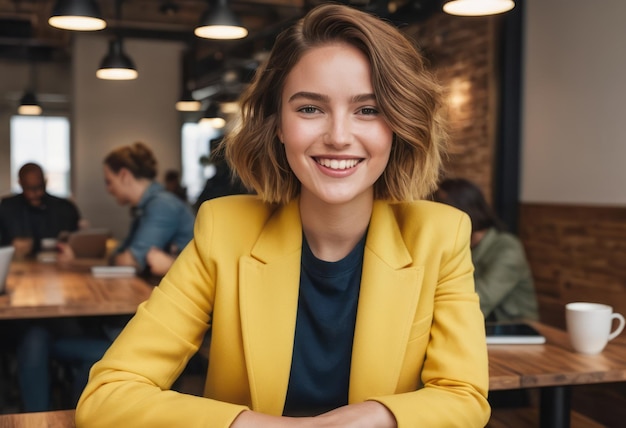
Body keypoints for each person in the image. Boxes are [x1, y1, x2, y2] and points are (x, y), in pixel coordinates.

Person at [76, 4, 490, 427]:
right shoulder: (224, 230)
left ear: (398, 125)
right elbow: (108, 395)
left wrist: (370, 418)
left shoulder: (441, 234)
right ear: (278, 124)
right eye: (310, 108)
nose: (339, 137)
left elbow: (463, 397)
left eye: (368, 109)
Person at [433, 177, 539, 322]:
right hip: (480, 328)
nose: (435, 217)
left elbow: (479, 300)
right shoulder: (455, 245)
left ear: (464, 210)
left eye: (442, 207)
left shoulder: (507, 248)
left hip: (513, 332)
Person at [0, 162, 80, 258]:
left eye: (39, 187)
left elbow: (78, 241)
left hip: (59, 266)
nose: (36, 193)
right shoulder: (7, 208)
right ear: (20, 184)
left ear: (45, 182)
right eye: (29, 188)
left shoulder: (64, 207)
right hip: (19, 266)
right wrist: (12, 248)